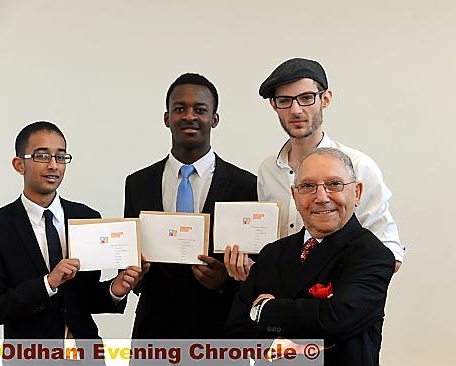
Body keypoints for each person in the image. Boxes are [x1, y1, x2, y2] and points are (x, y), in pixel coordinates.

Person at [225, 57, 404, 281]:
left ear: (325, 99)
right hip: (279, 305)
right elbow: (273, 250)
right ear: (273, 105)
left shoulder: (358, 166)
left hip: (336, 306)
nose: (296, 110)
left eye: (306, 98)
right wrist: (254, 269)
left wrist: (346, 288)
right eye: (285, 100)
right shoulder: (268, 170)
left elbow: (389, 252)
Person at [0, 121, 143, 342]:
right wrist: (47, 284)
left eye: (61, 157)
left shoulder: (87, 218)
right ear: (19, 165)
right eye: (42, 156)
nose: (54, 165)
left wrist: (115, 289)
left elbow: (84, 298)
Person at [225, 147, 395, 365]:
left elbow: (335, 319)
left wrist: (264, 310)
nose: (321, 197)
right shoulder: (272, 253)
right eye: (308, 186)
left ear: (357, 193)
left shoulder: (373, 255)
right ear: (295, 196)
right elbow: (236, 334)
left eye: (334, 184)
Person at [124, 73, 257, 338]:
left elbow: (257, 268)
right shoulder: (138, 183)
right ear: (166, 118)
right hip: (154, 331)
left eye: (200, 109)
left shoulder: (246, 185)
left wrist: (225, 281)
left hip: (219, 330)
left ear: (214, 119)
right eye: (179, 109)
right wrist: (133, 274)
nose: (189, 116)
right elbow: (129, 258)